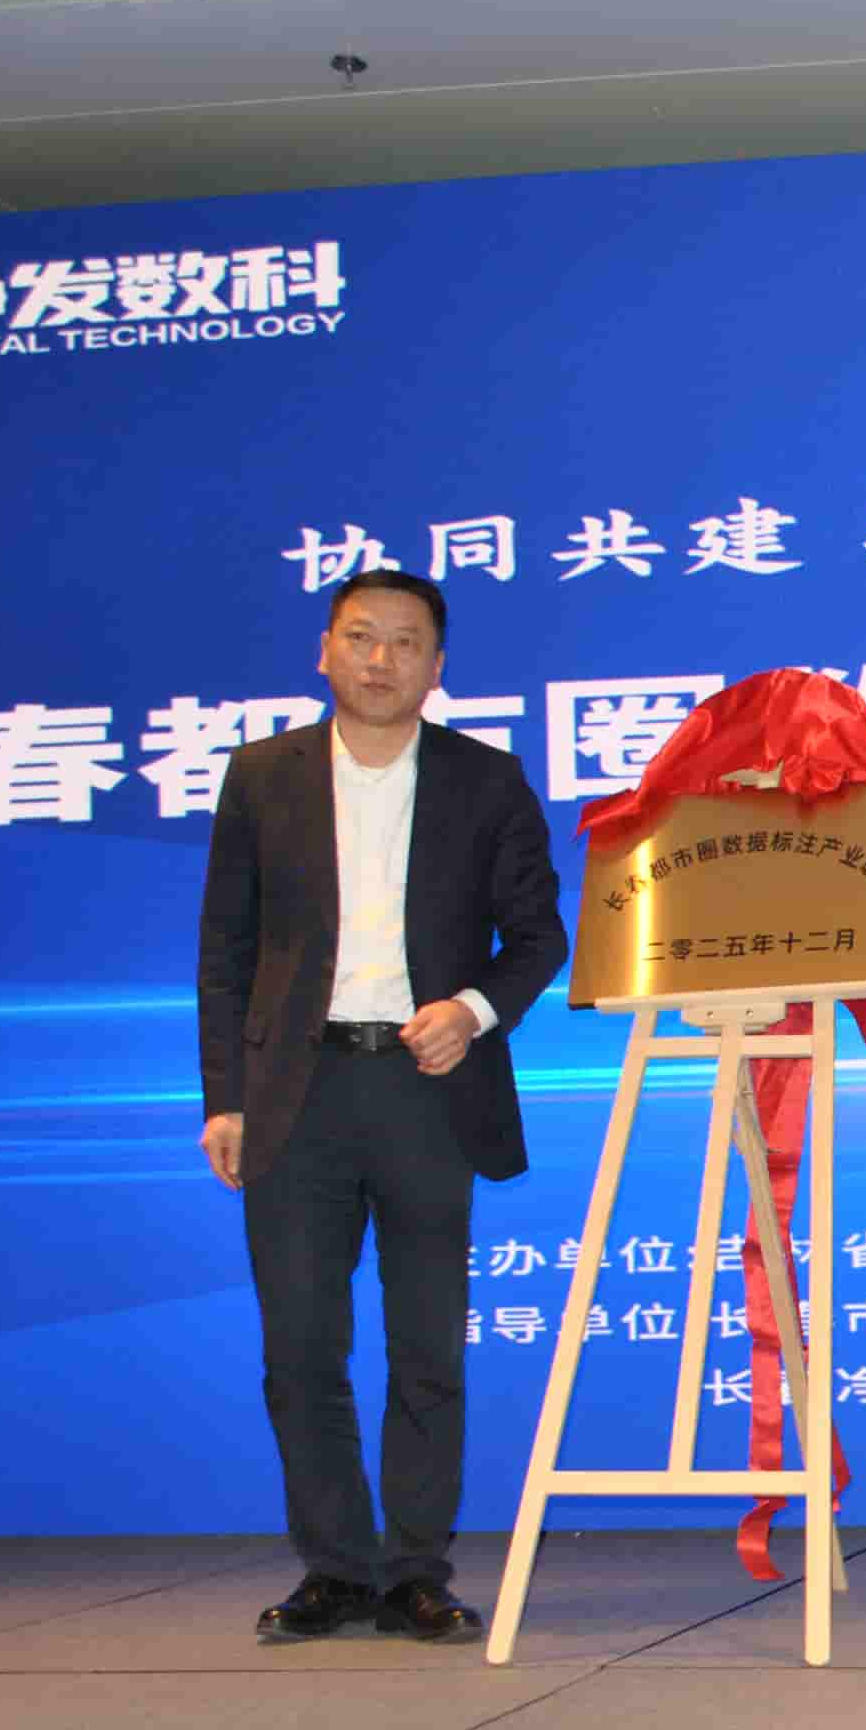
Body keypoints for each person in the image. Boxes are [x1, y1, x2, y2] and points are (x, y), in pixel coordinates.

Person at [196, 568, 566, 1644]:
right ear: (325, 650)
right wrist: (226, 1098)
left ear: (436, 667)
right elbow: (226, 950)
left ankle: (415, 1569)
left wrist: (472, 1010)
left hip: (425, 1086)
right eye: (361, 637)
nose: (380, 659)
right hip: (293, 1092)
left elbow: (537, 935)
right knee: (300, 1346)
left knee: (426, 1347)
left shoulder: (484, 780)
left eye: (406, 642)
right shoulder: (262, 776)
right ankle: (334, 1567)